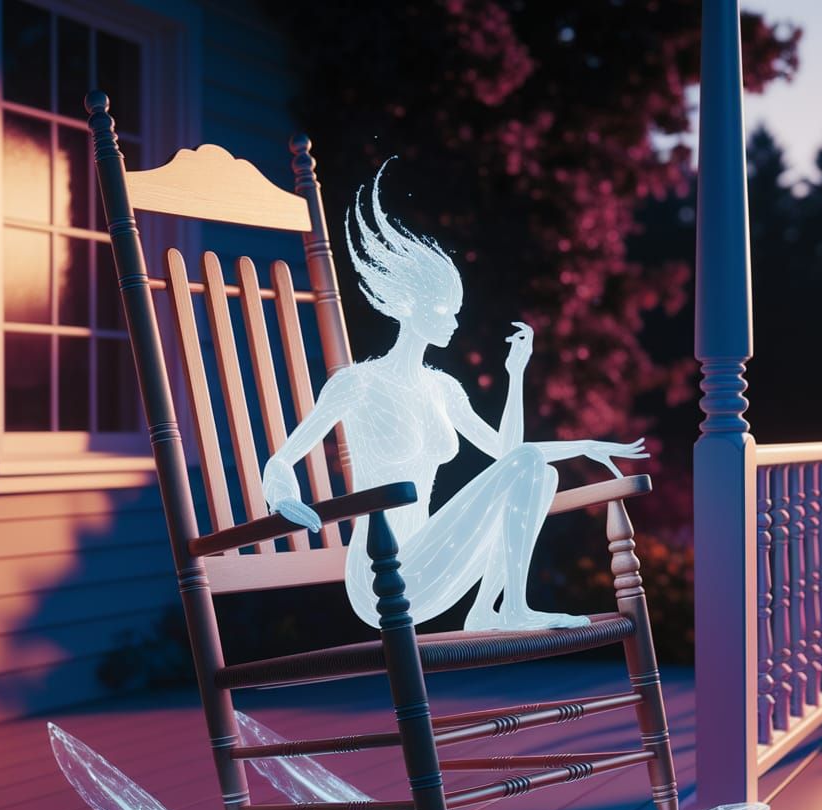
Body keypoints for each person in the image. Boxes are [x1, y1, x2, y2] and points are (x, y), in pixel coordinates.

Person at [262, 162, 648, 630]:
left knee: (540, 475)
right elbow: (282, 460)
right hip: (381, 573)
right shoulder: (358, 383)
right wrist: (283, 497)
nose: (454, 321)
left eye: (457, 311)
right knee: (532, 465)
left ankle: (490, 609)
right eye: (443, 310)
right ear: (409, 307)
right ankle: (514, 609)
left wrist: (518, 378)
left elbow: (509, 454)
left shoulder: (443, 388)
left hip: (433, 559)